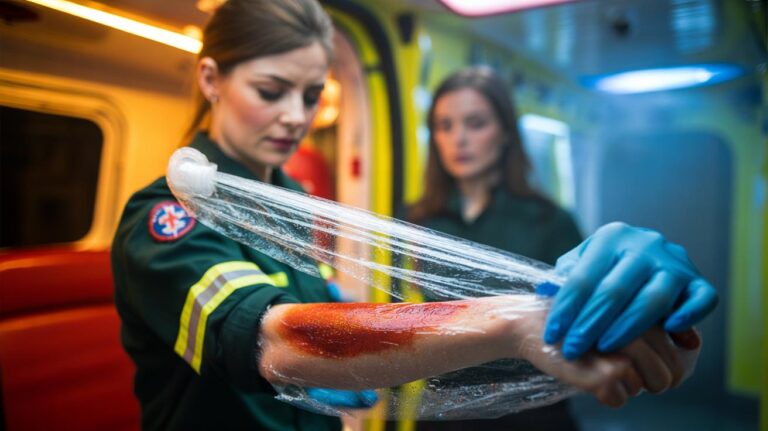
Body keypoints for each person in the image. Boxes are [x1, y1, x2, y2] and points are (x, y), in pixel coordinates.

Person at [110, 1, 717, 430]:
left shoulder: (289, 201)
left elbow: (333, 308)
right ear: (212, 80)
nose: (296, 116)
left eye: (314, 94)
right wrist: (515, 320)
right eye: (272, 91)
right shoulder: (166, 216)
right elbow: (269, 337)